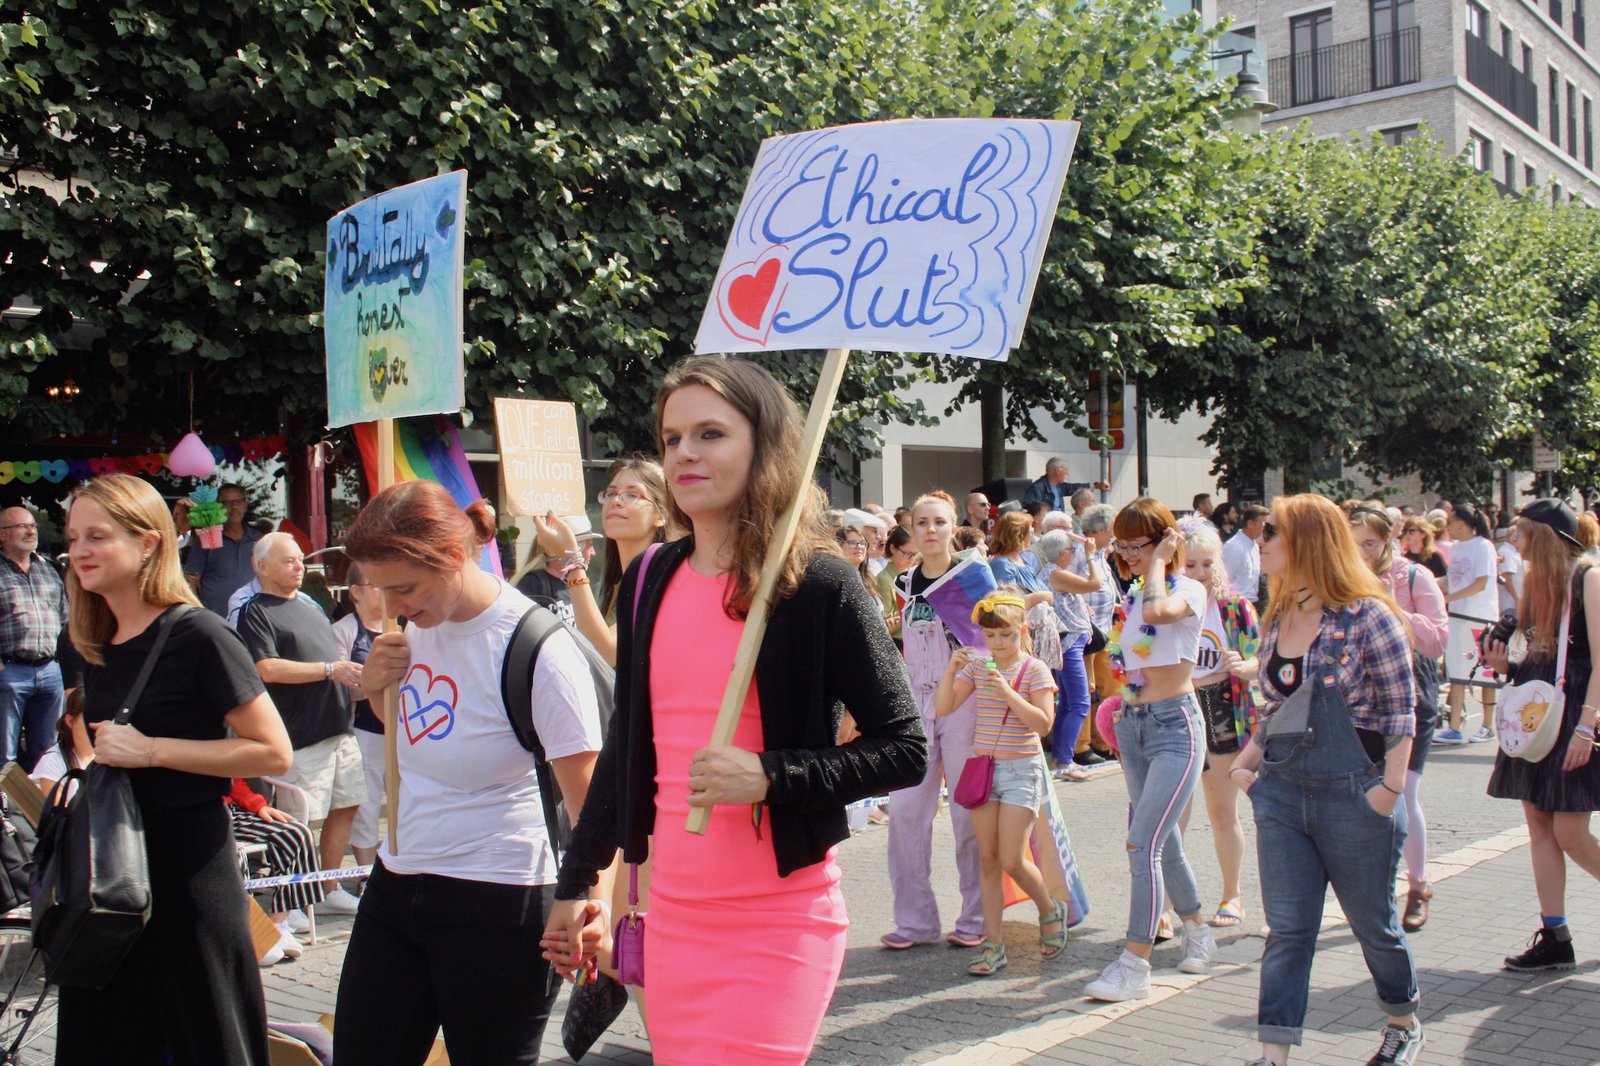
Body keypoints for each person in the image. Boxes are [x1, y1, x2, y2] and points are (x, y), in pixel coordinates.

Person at [541, 357, 925, 1065]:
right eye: (672, 437)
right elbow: (628, 746)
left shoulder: (819, 586)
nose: (685, 452)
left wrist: (772, 776)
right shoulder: (653, 573)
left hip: (777, 922)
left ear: (765, 446)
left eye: (710, 433)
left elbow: (905, 748)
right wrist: (577, 880)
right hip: (672, 917)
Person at [333, 480, 605, 1065]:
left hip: (501, 895)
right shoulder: (406, 631)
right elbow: (412, 740)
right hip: (397, 878)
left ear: (456, 555)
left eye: (404, 589)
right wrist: (379, 685)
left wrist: (582, 899)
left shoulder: (540, 650)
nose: (394, 606)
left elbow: (590, 804)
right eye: (381, 591)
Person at [59, 474, 292, 1066]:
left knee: (205, 1039)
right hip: (113, 878)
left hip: (188, 872)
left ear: (147, 543)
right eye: (73, 537)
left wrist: (153, 749)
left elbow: (272, 752)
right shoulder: (94, 640)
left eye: (97, 536)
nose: (80, 550)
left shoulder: (197, 633)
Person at [1228, 494, 1420, 1066]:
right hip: (1283, 794)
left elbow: (1401, 712)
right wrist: (1247, 763)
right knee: (1287, 930)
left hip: (1353, 795)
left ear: (1307, 542)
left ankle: (1403, 1022)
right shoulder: (1280, 613)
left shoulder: (1368, 614)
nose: (1261, 541)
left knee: (1374, 928)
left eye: (1272, 533)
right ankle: (1273, 1056)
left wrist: (1386, 793)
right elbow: (1276, 707)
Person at [1083, 498, 1215, 1002]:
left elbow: (1162, 613)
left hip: (1175, 728)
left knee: (1142, 842)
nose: (1127, 554)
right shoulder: (1138, 593)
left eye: (1136, 544)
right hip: (1135, 725)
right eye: (1121, 544)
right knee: (1164, 841)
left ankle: (1135, 962)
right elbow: (1128, 656)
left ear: (1164, 540)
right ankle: (1198, 929)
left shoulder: (1188, 589)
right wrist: (1119, 710)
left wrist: (1160, 560)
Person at [1483, 499, 1600, 973]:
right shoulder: (1535, 583)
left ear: (1545, 536)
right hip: (1540, 711)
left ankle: (1556, 935)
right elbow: (1537, 658)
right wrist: (1504, 666)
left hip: (1576, 712)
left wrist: (1586, 726)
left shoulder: (1587, 578)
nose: (1513, 540)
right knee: (1538, 824)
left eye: (1521, 531)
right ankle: (1556, 934)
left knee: (1571, 831)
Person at [934, 588, 1064, 976]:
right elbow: (944, 708)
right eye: (990, 636)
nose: (998, 643)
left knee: (1011, 858)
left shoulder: (1034, 670)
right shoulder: (979, 667)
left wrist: (1007, 692)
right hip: (983, 770)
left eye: (1005, 635)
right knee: (987, 860)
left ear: (1021, 631)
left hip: (1021, 770)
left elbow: (1043, 725)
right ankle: (994, 945)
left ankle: (1048, 908)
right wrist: (951, 670)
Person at [237, 531, 367, 914]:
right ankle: (291, 901)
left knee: (347, 806)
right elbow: (267, 668)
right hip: (301, 733)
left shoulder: (310, 605)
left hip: (338, 727)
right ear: (261, 566)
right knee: (301, 820)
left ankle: (325, 888)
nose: (300, 567)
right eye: (289, 560)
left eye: (300, 560)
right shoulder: (255, 611)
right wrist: (329, 669)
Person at [1350, 506, 1449, 933]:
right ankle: (1374, 889)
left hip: (1410, 687)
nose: (1362, 554)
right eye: (1354, 546)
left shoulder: (1414, 577)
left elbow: (1438, 640)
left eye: (1369, 544)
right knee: (1362, 795)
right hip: (1360, 694)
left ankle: (1418, 885)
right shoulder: (1344, 578)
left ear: (1389, 540)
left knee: (1403, 788)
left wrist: (1391, 608)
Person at [1177, 517, 1260, 929]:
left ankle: (1232, 894)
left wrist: (1244, 665)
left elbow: (1261, 657)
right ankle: (1168, 906)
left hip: (1221, 706)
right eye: (1189, 565)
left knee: (1222, 810)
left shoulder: (1235, 607)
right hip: (1175, 704)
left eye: (1206, 564)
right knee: (1173, 815)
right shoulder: (1167, 603)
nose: (1198, 573)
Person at [531, 456, 672, 669]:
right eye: (610, 493)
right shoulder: (615, 584)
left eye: (632, 495)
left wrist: (572, 559)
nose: (615, 501)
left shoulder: (662, 575)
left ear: (661, 515)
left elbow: (605, 653)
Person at [225, 776, 325, 966]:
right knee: (233, 855)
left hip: (231, 808)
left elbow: (232, 779)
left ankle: (280, 925)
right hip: (200, 814)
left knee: (297, 833)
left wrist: (258, 805)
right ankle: (252, 935)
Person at [0, 504, 67, 771]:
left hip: (51, 671)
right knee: (5, 756)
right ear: (2, 535)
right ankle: (5, 811)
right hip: (10, 671)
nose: (30, 531)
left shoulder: (49, 569)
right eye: (22, 526)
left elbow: (66, 618)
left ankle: (41, 811)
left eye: (32, 526)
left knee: (47, 753)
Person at [332, 561, 385, 869]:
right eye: (375, 584)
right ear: (356, 592)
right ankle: (367, 873)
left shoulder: (403, 624)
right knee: (366, 805)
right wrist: (375, 680)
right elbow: (341, 686)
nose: (384, 592)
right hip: (364, 731)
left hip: (405, 730)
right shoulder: (343, 632)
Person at [1035, 524, 1096, 780]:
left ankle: (1062, 757)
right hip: (1069, 645)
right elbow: (1095, 583)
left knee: (1070, 703)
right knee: (1080, 702)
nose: (1074, 553)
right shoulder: (1055, 574)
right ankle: (1064, 760)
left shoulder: (1054, 572)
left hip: (1072, 642)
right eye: (1071, 550)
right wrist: (1091, 555)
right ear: (1061, 554)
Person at [1440, 503, 1500, 744]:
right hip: (1457, 616)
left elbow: (1481, 583)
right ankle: (1454, 727)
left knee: (1485, 672)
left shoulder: (1484, 546)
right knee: (1457, 673)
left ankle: (1487, 724)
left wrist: (1449, 598)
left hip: (1480, 616)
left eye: (1450, 521)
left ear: (1461, 523)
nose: (1447, 527)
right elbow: (1454, 578)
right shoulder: (1455, 549)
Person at [1077, 503, 1121, 760]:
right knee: (1087, 690)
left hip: (1106, 630)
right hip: (1087, 632)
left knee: (1110, 687)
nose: (1114, 535)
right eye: (1111, 530)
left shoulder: (1102, 552)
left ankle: (1105, 741)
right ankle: (1082, 746)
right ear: (1101, 529)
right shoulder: (1082, 551)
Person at [184, 483, 262, 617]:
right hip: (216, 621)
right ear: (218, 507)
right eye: (227, 502)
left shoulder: (259, 540)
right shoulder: (206, 538)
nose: (234, 507)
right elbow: (191, 580)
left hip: (253, 618)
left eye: (238, 501)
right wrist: (199, 613)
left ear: (245, 504)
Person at [514, 522, 600, 627]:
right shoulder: (532, 583)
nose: (593, 552)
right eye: (589, 546)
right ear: (577, 548)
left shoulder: (576, 583)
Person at [876, 525, 917, 642]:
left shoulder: (914, 574)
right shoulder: (883, 578)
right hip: (897, 641)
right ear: (893, 548)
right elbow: (886, 621)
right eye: (907, 553)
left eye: (915, 554)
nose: (911, 559)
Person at [1223, 504, 1267, 605]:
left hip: (1253, 602)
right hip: (1236, 604)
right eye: (1263, 525)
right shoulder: (1234, 546)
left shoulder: (1255, 545)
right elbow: (1222, 578)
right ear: (1250, 523)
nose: (1265, 530)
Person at [1400, 516, 1448, 581]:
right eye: (1405, 531)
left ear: (1423, 534)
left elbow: (1445, 579)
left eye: (1412, 531)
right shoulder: (1404, 558)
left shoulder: (1434, 556)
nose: (1407, 534)